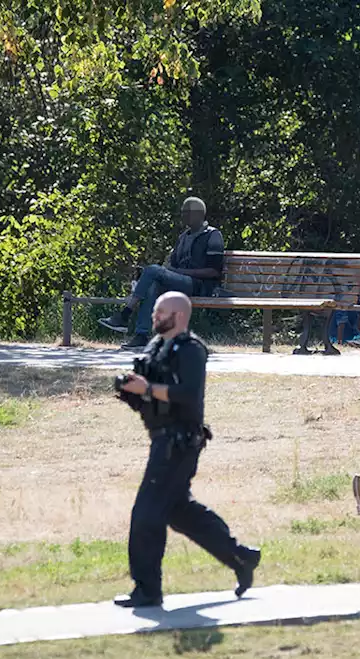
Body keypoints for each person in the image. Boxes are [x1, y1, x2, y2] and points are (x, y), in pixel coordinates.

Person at [112, 291, 260, 607]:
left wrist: (148, 388)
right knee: (179, 512)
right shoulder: (156, 347)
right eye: (154, 311)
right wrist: (132, 393)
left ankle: (147, 591)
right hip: (163, 439)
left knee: (147, 514)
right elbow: (155, 400)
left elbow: (188, 395)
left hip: (179, 444)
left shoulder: (192, 350)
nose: (155, 316)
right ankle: (240, 557)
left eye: (161, 311)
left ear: (178, 316)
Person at [101, 197, 225, 349]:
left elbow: (214, 272)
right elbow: (172, 265)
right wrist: (169, 271)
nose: (183, 216)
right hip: (180, 283)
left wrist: (180, 272)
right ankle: (141, 335)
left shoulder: (212, 235)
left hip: (200, 286)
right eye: (183, 212)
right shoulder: (183, 237)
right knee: (152, 283)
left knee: (152, 269)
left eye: (187, 212)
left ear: (199, 214)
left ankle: (125, 314)